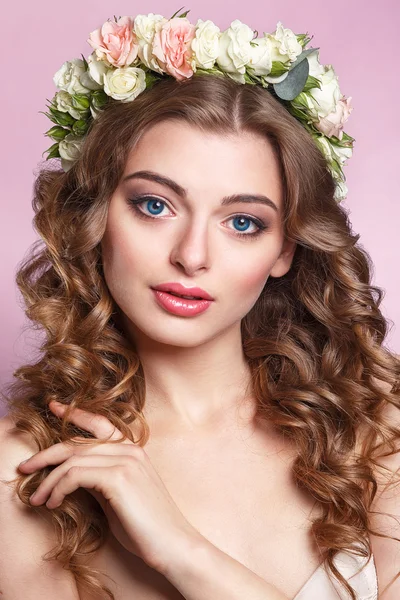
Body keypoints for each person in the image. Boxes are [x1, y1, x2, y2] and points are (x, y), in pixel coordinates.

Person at [0, 11, 399, 600]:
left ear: (285, 248)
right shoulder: (23, 477)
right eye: (155, 206)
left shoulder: (375, 430)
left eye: (242, 222)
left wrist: (180, 551)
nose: (192, 256)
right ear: (96, 213)